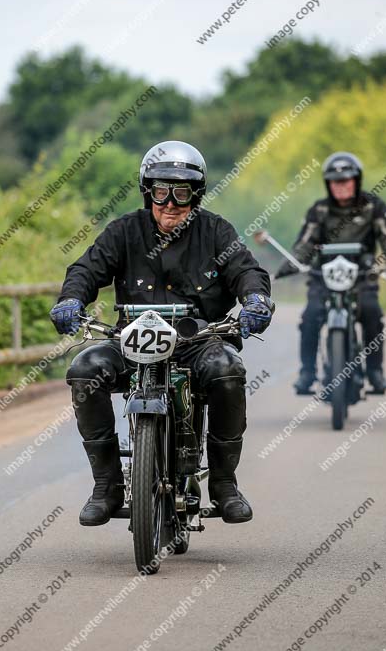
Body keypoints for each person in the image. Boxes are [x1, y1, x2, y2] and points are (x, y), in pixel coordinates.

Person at [50, 141, 274, 527]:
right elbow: (86, 270)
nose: (170, 202)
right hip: (131, 342)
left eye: (182, 192)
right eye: (160, 191)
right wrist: (71, 300)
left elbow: (247, 271)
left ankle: (224, 483)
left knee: (227, 372)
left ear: (196, 195)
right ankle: (106, 486)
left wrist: (255, 301)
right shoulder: (123, 231)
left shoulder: (217, 231)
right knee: (86, 368)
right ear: (147, 191)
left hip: (198, 342)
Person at [276, 152, 386, 394]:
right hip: (323, 276)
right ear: (328, 184)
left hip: (362, 276)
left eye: (346, 180)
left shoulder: (373, 206)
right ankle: (307, 373)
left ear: (357, 181)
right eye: (335, 181)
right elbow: (305, 243)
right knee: (311, 316)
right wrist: (291, 264)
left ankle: (375, 372)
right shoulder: (319, 210)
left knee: (372, 313)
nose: (341, 186)